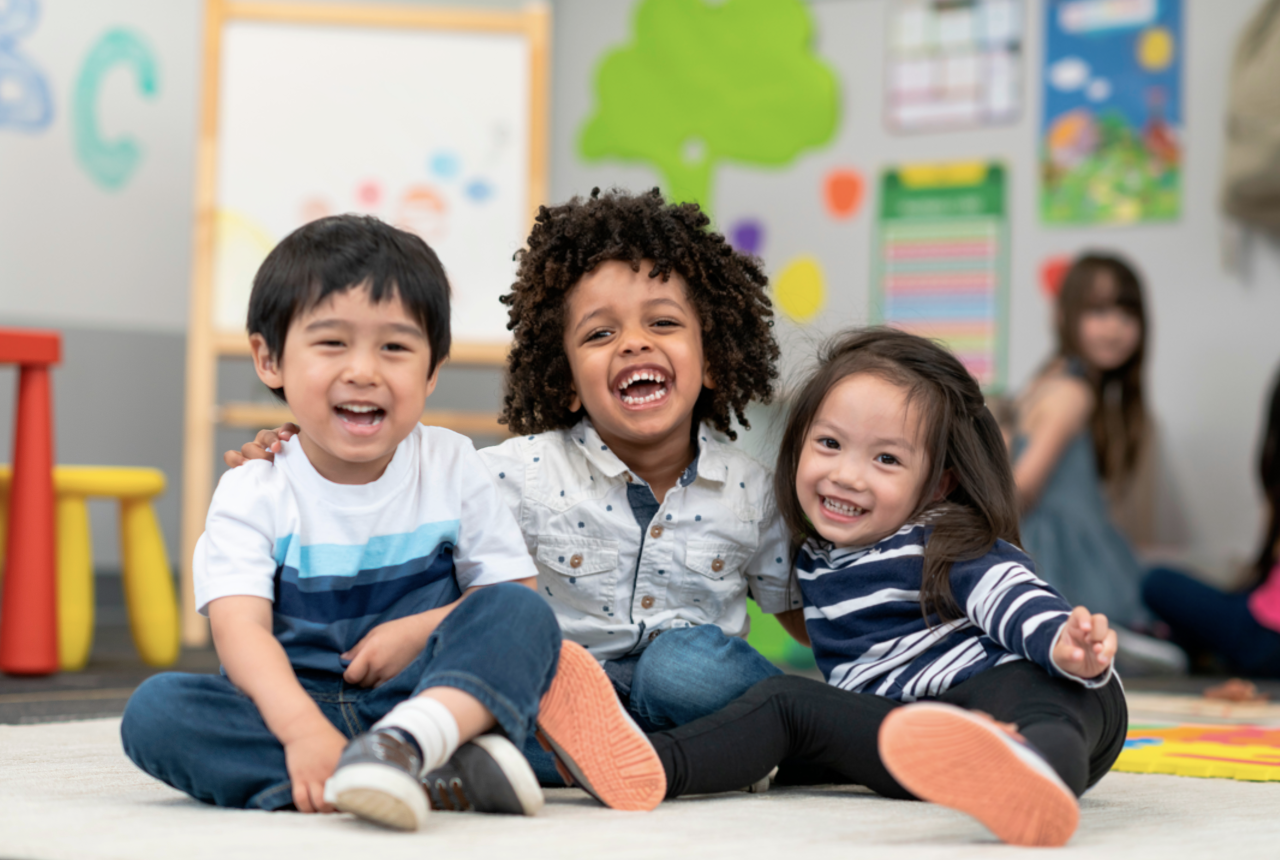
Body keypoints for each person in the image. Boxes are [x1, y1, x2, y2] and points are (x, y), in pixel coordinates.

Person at [228, 188, 798, 788]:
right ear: (568, 380)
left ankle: (748, 743)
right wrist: (301, 453)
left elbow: (803, 614)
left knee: (681, 667)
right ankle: (680, 760)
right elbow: (393, 494)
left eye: (663, 323)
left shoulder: (752, 491)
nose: (634, 342)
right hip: (551, 702)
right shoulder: (513, 473)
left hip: (690, 695)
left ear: (711, 358)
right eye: (599, 335)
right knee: (492, 703)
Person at [121, 215, 665, 832]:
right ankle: (428, 773)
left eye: (395, 347)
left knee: (526, 619)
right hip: (295, 706)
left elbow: (509, 594)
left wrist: (416, 633)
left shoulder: (452, 462)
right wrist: (300, 730)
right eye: (332, 343)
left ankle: (406, 748)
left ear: (431, 371)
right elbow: (239, 632)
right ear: (268, 359)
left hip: (425, 694)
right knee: (157, 713)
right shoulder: (253, 488)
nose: (364, 370)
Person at [643, 328, 1127, 848]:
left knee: (1044, 710)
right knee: (784, 700)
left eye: (887, 460)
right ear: (798, 442)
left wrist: (1059, 641)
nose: (847, 475)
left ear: (938, 483)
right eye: (829, 444)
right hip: (915, 734)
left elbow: (1007, 591)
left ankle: (1034, 780)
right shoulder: (808, 558)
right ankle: (646, 765)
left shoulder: (939, 535)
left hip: (1023, 679)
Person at [1010, 254, 1182, 672]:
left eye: (1127, 313)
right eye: (1099, 311)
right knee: (1168, 657)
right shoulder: (1074, 393)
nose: (1115, 327)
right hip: (1064, 563)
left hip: (1073, 551)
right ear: (1066, 316)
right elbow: (1023, 485)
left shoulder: (1049, 378)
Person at [1142, 368, 1280, 677]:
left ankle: (1176, 647)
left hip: (1264, 639)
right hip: (1261, 628)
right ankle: (1183, 647)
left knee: (1156, 581)